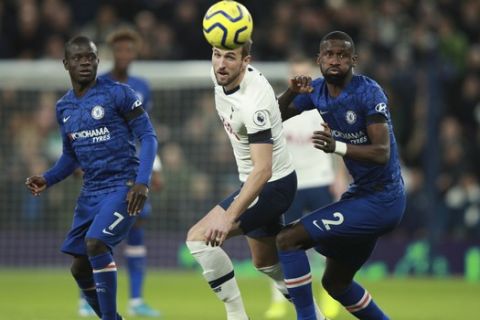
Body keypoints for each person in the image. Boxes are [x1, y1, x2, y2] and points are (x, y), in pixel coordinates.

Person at [185, 40, 326, 320]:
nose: (221, 64)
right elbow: (275, 116)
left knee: (199, 239)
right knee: (266, 264)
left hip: (271, 185)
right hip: (262, 182)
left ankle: (237, 316)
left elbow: (263, 170)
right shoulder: (223, 80)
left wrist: (229, 216)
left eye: (230, 57)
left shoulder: (252, 101)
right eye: (217, 55)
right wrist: (289, 95)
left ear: (245, 61)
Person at [25, 35, 158, 320]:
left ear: (98, 61)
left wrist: (142, 181)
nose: (85, 62)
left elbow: (148, 136)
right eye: (78, 58)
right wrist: (48, 178)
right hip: (90, 192)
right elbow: (70, 156)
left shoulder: (119, 93)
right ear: (66, 64)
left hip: (122, 187)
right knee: (79, 268)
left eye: (90, 57)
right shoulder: (64, 108)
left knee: (96, 243)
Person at [276, 31, 406, 320]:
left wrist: (337, 146)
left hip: (383, 200)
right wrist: (291, 93)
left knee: (288, 239)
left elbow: (381, 151)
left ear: (354, 60)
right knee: (336, 283)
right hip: (361, 195)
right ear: (319, 60)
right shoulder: (318, 91)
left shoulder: (368, 92)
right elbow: (274, 116)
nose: (335, 60)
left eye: (342, 55)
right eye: (329, 55)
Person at [77, 27, 162, 318]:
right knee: (94, 234)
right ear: (112, 53)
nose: (124, 54)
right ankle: (86, 298)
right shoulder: (98, 85)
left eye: (129, 50)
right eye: (120, 50)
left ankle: (136, 300)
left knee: (136, 230)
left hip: (133, 171)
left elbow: (146, 132)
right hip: (102, 170)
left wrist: (154, 169)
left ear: (135, 53)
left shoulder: (142, 85)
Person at [264, 57, 343, 320]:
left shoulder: (322, 102)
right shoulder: (279, 105)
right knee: (281, 244)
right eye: (295, 75)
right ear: (289, 77)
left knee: (327, 243)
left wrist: (340, 176)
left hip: (320, 180)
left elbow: (339, 139)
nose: (300, 80)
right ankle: (278, 300)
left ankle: (329, 298)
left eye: (304, 74)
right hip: (290, 183)